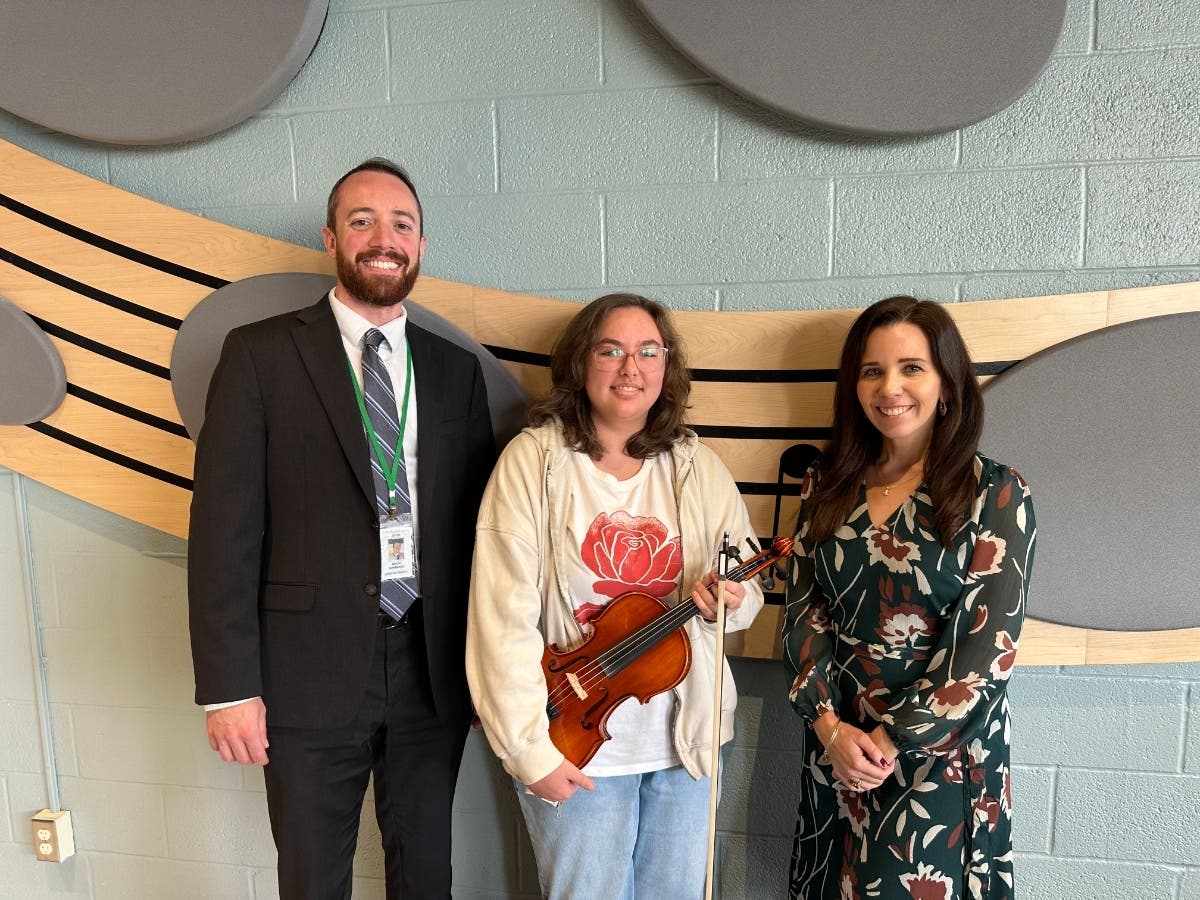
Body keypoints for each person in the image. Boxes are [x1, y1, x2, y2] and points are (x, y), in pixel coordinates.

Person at [188, 158, 495, 898]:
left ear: (421, 246)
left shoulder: (455, 372)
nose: (382, 239)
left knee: (426, 876)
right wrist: (228, 688)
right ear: (332, 237)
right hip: (304, 673)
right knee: (314, 880)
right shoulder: (261, 355)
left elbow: (485, 536)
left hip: (430, 667)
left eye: (401, 225)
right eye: (362, 221)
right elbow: (223, 530)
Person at [466, 293, 764, 899]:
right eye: (612, 350)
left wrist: (732, 600)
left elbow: (749, 596)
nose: (631, 367)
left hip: (684, 744)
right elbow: (501, 618)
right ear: (581, 364)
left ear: (665, 367)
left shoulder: (698, 466)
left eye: (647, 351)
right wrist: (528, 751)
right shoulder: (534, 463)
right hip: (575, 742)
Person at [782, 296, 1035, 900]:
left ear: (947, 383)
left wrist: (891, 741)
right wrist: (829, 727)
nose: (889, 387)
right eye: (872, 371)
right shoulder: (827, 485)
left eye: (911, 368)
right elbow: (802, 614)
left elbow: (986, 651)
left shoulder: (994, 492)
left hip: (936, 763)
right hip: (836, 747)